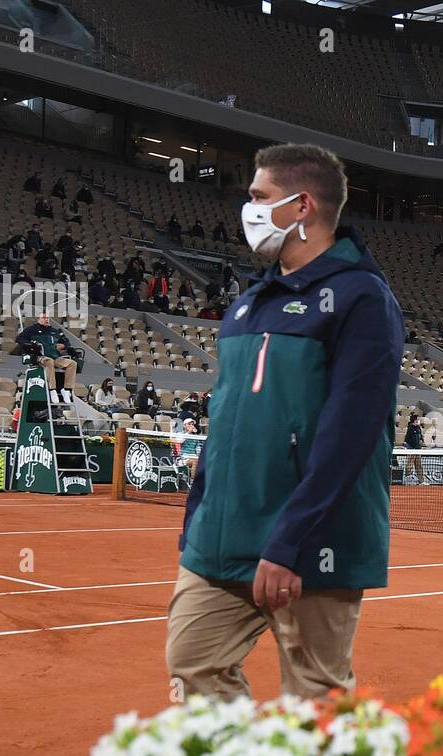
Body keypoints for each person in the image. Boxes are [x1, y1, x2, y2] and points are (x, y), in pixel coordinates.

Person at [169, 142, 404, 701]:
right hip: (221, 539)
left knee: (316, 700)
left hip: (310, 545)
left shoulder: (362, 298)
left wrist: (291, 542)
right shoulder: (250, 301)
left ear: (301, 207)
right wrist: (196, 522)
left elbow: (351, 435)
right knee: (193, 663)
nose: (248, 208)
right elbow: (223, 420)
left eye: (259, 196)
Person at [15, 314, 77, 404]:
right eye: (44, 318)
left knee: (72, 363)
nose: (46, 319)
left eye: (47, 318)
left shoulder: (53, 331)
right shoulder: (32, 330)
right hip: (39, 357)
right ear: (38, 319)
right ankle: (52, 390)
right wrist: (31, 345)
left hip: (54, 356)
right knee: (49, 361)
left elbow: (66, 342)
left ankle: (67, 390)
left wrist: (63, 345)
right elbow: (19, 339)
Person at [403, 411, 427, 484]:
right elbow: (407, 439)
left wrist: (422, 441)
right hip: (411, 449)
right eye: (417, 420)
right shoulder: (410, 428)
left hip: (418, 449)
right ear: (414, 421)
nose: (419, 421)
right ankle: (408, 480)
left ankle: (421, 481)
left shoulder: (418, 428)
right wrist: (412, 448)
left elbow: (420, 436)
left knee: (419, 465)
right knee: (409, 465)